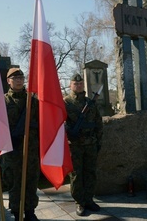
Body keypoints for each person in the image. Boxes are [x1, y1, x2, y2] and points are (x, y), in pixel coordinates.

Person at [1, 68, 40, 221]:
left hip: (31, 149)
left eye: (21, 77)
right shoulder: (3, 101)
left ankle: (30, 211)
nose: (19, 80)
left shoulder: (33, 101)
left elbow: (42, 122)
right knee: (15, 183)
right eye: (15, 77)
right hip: (12, 151)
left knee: (31, 180)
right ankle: (17, 213)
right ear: (8, 81)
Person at [64, 73, 103, 216]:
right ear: (70, 85)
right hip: (74, 145)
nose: (78, 86)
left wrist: (98, 141)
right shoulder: (66, 103)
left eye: (80, 84)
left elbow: (98, 123)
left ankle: (89, 199)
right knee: (76, 175)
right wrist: (68, 133)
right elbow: (60, 124)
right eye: (75, 83)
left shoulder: (90, 102)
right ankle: (79, 202)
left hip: (91, 144)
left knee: (90, 172)